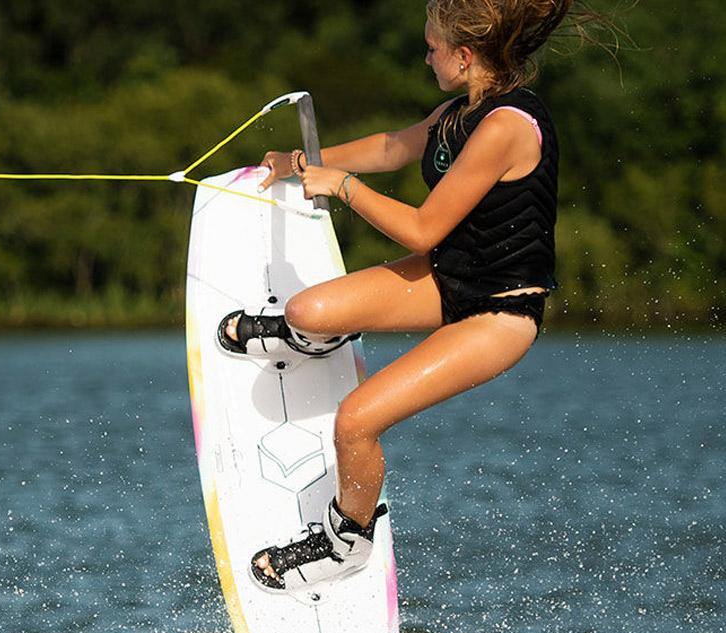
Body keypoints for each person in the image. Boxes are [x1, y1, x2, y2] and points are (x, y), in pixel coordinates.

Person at [220, 0, 578, 593]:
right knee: (305, 312)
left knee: (355, 421)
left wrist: (342, 187)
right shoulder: (456, 113)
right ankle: (313, 338)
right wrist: (302, 162)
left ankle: (345, 543)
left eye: (433, 47)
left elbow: (422, 230)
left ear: (464, 58)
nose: (426, 54)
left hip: (498, 312)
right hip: (447, 278)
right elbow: (392, 147)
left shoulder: (506, 127)